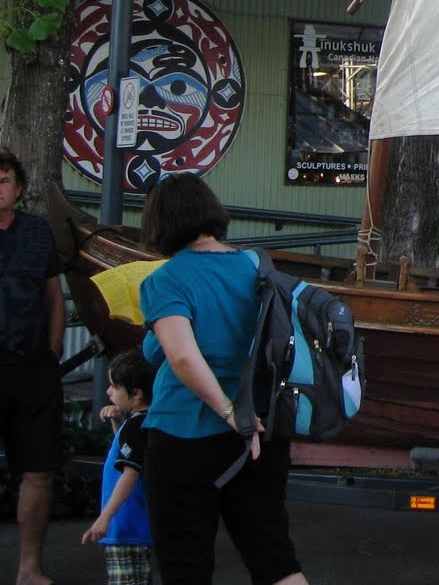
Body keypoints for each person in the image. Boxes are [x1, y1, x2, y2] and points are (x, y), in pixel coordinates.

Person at [136, 173, 309, 585]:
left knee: (186, 564)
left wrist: (230, 413)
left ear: (159, 222)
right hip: (262, 430)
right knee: (275, 558)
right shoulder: (256, 266)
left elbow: (180, 355)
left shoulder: (166, 279)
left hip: (185, 435)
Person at [0, 149, 65, 585]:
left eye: (3, 179)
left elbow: (55, 297)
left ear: (18, 189)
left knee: (39, 469)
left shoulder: (38, 232)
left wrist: (54, 348)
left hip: (32, 367)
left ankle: (29, 569)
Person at [83, 349, 156, 584]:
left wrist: (105, 517)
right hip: (135, 527)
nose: (108, 392)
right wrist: (118, 422)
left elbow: (129, 472)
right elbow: (128, 455)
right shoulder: (143, 422)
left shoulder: (135, 427)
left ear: (136, 394)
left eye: (114, 387)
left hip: (124, 526)